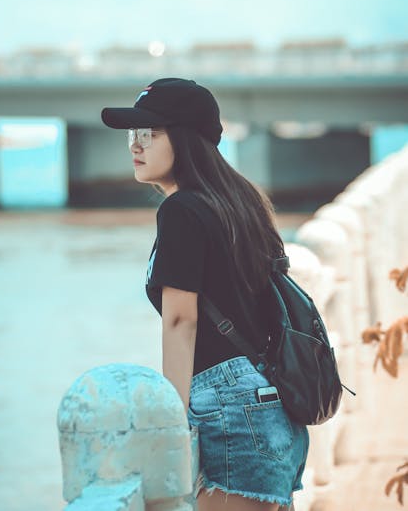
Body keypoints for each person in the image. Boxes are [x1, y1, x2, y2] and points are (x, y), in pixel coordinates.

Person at [100, 77, 308, 511]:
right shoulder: (242, 202)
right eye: (132, 135)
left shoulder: (180, 210)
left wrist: (171, 420)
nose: (135, 146)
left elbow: (181, 319)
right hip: (268, 402)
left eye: (149, 134)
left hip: (229, 409)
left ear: (185, 138)